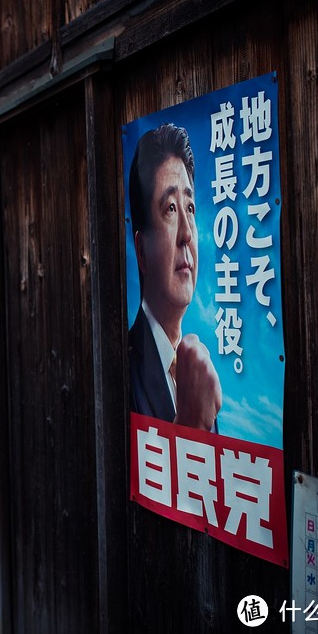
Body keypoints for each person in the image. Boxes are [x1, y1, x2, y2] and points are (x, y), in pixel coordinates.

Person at [128, 124, 221, 431]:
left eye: (190, 207)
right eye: (170, 208)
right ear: (141, 251)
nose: (186, 233)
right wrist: (194, 428)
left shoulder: (194, 372)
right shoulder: (123, 369)